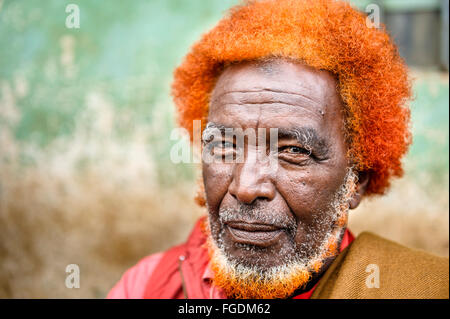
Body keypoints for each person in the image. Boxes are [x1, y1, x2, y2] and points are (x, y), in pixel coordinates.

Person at [107, 0, 448, 299]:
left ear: (355, 181)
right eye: (224, 146)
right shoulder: (148, 286)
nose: (245, 187)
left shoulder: (423, 288)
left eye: (293, 151)